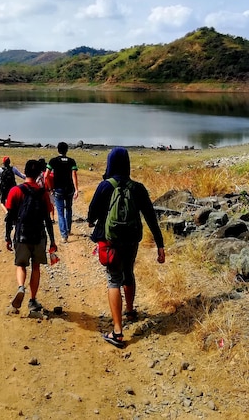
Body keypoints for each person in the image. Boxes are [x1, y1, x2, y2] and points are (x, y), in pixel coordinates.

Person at [87, 147, 165, 348]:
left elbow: (91, 214)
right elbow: (150, 217)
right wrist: (160, 245)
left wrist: (93, 220)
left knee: (114, 279)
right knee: (128, 273)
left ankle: (118, 332)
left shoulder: (105, 186)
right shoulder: (137, 188)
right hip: (131, 240)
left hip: (109, 241)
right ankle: (130, 311)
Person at [5, 159, 57, 311]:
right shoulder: (43, 193)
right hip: (39, 235)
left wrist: (8, 237)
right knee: (36, 267)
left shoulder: (15, 191)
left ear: (25, 172)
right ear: (38, 174)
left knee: (21, 265)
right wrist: (53, 241)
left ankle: (21, 287)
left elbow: (9, 217)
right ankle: (33, 300)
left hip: (21, 234)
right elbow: (48, 220)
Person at [45, 142, 78, 242]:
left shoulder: (53, 161)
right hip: (69, 189)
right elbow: (74, 175)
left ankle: (64, 236)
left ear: (58, 150)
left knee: (60, 213)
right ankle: (68, 230)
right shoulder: (72, 161)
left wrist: (50, 189)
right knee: (68, 209)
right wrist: (76, 189)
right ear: (66, 150)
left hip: (58, 189)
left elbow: (46, 176)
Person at [36, 157, 55, 222]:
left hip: (42, 190)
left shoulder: (38, 172)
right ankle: (52, 218)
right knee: (51, 204)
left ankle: (43, 217)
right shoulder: (49, 171)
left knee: (42, 204)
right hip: (49, 189)